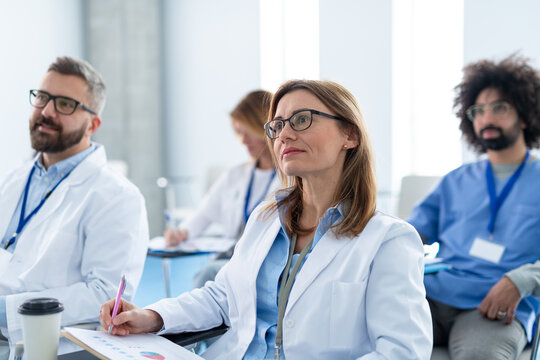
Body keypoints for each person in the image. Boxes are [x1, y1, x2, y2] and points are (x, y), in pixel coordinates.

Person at [100, 79, 432, 359]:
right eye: (277, 125)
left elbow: (402, 352)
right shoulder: (267, 218)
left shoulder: (389, 240)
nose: (284, 135)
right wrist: (151, 316)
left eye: (302, 119)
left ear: (350, 135)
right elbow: (223, 296)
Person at [0, 56, 148, 358]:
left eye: (65, 104)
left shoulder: (118, 197)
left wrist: (5, 311)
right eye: (42, 98)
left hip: (44, 345)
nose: (46, 111)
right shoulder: (13, 180)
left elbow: (105, 296)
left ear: (93, 124)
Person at [408, 55, 540, 359]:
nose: (486, 118)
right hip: (432, 295)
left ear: (524, 115)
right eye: (478, 110)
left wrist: (523, 279)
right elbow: (408, 234)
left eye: (500, 108)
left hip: (496, 305)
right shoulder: (454, 181)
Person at [164, 90, 279, 288]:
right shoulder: (236, 175)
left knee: (209, 276)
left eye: (247, 132)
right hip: (233, 258)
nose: (243, 140)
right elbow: (204, 213)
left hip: (266, 262)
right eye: (239, 132)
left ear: (265, 127)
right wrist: (182, 232)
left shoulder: (291, 178)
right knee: (211, 278)